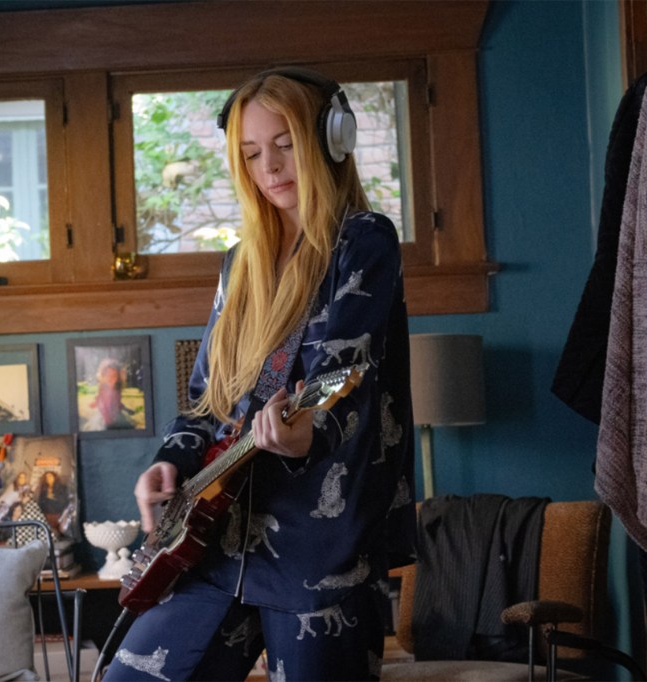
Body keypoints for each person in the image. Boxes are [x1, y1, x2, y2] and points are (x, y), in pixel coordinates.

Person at [102, 68, 416, 682]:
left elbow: (343, 375)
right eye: (250, 153)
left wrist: (306, 434)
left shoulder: (364, 241)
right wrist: (171, 459)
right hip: (215, 543)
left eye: (285, 144)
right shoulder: (238, 265)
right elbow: (207, 398)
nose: (268, 166)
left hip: (318, 555)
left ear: (332, 140)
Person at [87, 357, 136, 430]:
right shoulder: (104, 390)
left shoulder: (117, 389)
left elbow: (117, 401)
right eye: (107, 375)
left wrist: (124, 408)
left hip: (115, 412)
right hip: (106, 417)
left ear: (118, 377)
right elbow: (103, 406)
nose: (110, 378)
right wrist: (108, 421)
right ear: (103, 376)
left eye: (114, 376)